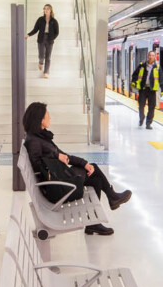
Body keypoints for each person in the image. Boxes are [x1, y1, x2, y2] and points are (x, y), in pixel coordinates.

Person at [21, 101, 130, 236]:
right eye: (47, 115)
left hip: (59, 181)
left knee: (94, 175)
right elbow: (37, 165)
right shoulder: (34, 142)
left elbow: (64, 156)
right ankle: (109, 200)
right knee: (94, 172)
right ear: (40, 120)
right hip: (57, 189)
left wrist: (84, 163)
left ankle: (95, 220)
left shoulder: (41, 137)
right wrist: (56, 156)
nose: (50, 118)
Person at [27, 4, 60, 77]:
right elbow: (35, 29)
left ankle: (46, 72)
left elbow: (57, 32)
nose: (46, 10)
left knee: (48, 57)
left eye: (47, 9)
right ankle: (41, 62)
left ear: (50, 10)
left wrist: (52, 38)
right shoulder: (40, 19)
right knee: (41, 55)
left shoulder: (54, 21)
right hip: (41, 39)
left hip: (50, 40)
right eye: (44, 9)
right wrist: (28, 35)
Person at [133, 49, 161, 129]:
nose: (151, 57)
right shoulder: (142, 66)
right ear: (147, 56)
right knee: (141, 106)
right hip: (143, 90)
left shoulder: (157, 67)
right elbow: (134, 75)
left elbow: (161, 78)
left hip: (152, 90)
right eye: (150, 55)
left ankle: (148, 123)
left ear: (155, 57)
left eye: (153, 55)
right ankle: (141, 118)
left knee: (152, 107)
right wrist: (134, 82)